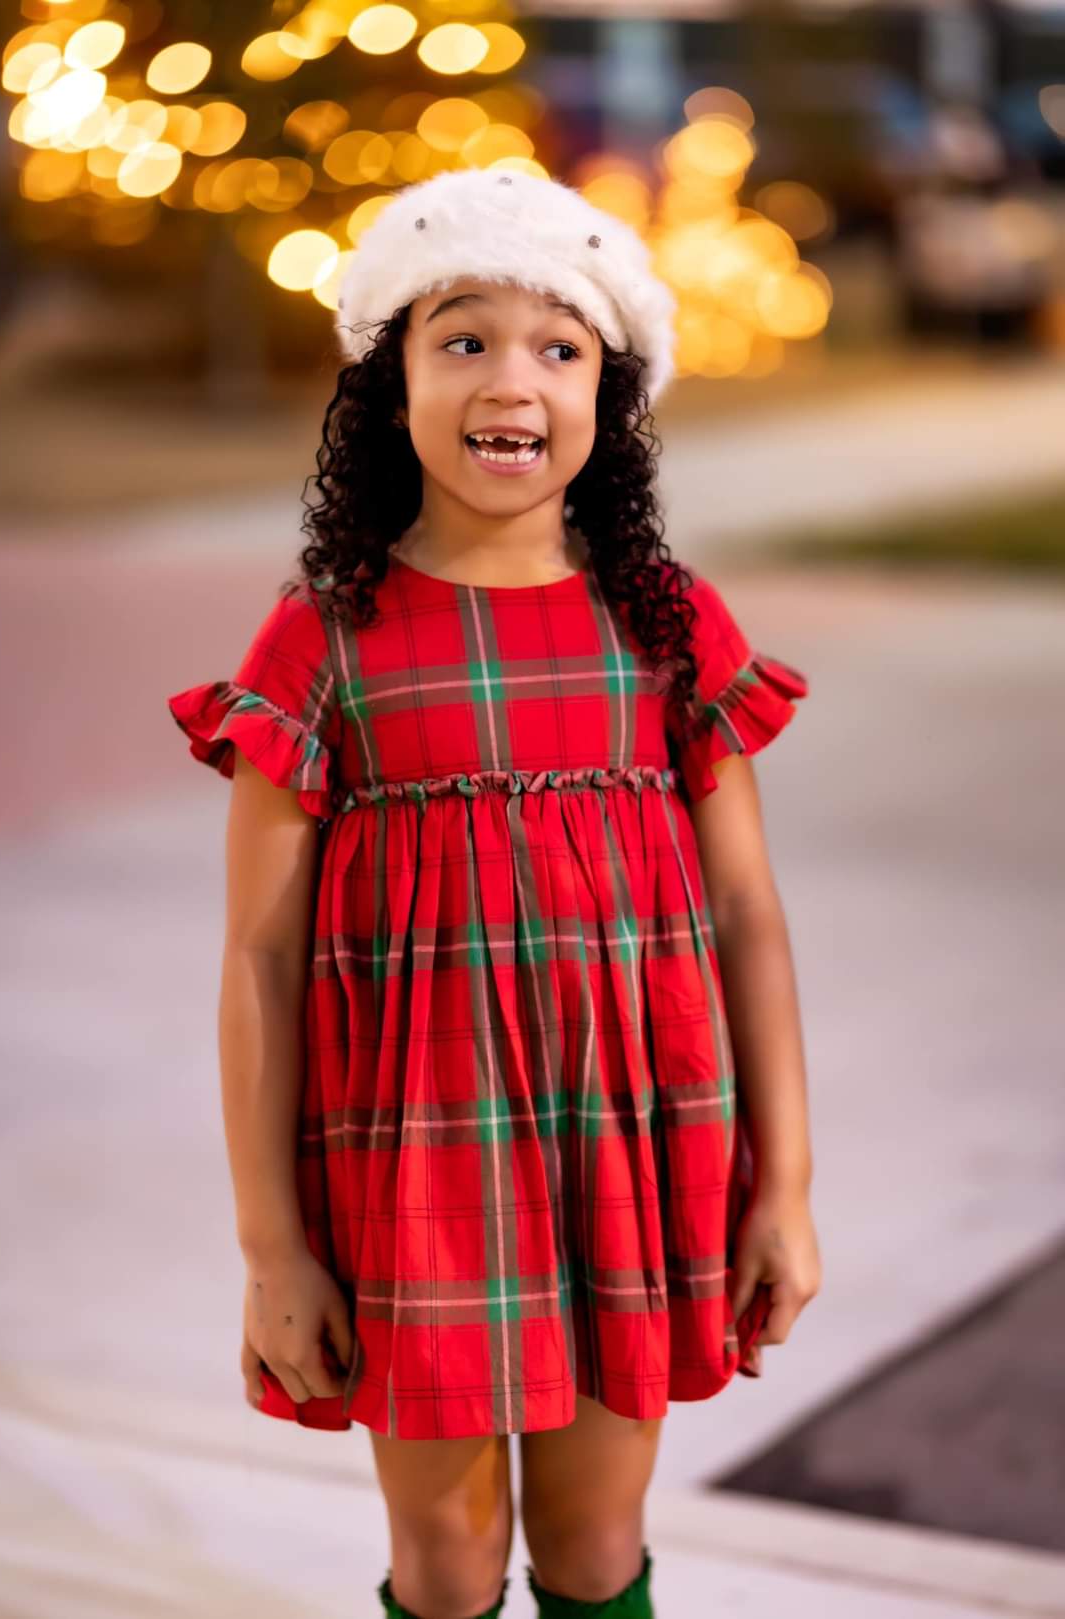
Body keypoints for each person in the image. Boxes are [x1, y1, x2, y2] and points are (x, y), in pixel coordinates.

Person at [166, 168, 821, 1619]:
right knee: (451, 1559)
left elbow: (748, 922)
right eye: (462, 338)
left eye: (558, 346)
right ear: (385, 382)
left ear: (610, 393)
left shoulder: (665, 626)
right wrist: (273, 1250)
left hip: (629, 1157)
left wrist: (788, 1185)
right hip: (418, 1181)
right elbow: (262, 961)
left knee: (594, 1547)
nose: (509, 379)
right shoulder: (322, 638)